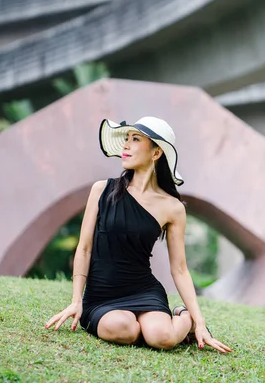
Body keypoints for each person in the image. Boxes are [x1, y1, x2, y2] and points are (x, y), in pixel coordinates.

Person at [44, 116, 232, 353]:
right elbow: (84, 248)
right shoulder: (102, 190)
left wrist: (200, 320)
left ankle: (185, 318)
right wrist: (76, 301)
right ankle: (145, 324)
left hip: (144, 291)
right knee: (124, 329)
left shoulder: (172, 208)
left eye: (135, 139)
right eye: (126, 139)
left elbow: (180, 268)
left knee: (162, 338)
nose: (126, 145)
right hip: (102, 296)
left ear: (156, 153)